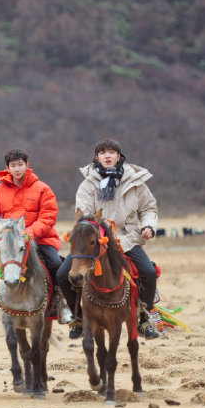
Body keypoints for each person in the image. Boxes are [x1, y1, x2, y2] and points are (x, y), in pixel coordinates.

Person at [56, 138, 161, 340]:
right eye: (102, 152)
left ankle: (145, 319)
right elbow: (84, 214)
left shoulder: (136, 182)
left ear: (119, 156)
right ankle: (76, 319)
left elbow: (149, 207)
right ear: (97, 157)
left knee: (148, 272)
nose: (107, 155)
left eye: (111, 152)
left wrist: (148, 226)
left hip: (126, 237)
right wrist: (97, 230)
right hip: (95, 239)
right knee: (62, 275)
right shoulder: (88, 184)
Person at [0, 148, 66, 325]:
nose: (17, 169)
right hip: (9, 242)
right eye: (13, 165)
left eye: (20, 164)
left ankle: (61, 303)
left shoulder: (42, 189)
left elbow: (48, 215)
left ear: (27, 166)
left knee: (56, 264)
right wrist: (2, 233)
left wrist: (28, 234)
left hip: (41, 239)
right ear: (7, 168)